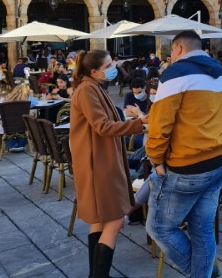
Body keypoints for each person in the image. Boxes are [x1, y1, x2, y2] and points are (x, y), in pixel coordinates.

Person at [145, 31, 222, 277]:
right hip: (221, 158)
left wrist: (156, 161)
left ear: (177, 49)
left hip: (190, 164)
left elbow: (159, 124)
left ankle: (202, 273)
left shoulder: (175, 74)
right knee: (202, 228)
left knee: (159, 227)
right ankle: (205, 272)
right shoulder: (217, 70)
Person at [70, 49, 147, 278]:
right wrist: (139, 123)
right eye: (108, 66)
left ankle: (96, 274)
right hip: (98, 165)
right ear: (94, 71)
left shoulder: (91, 87)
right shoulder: (86, 91)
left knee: (99, 220)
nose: (113, 69)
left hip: (98, 161)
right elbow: (102, 126)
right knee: (114, 220)